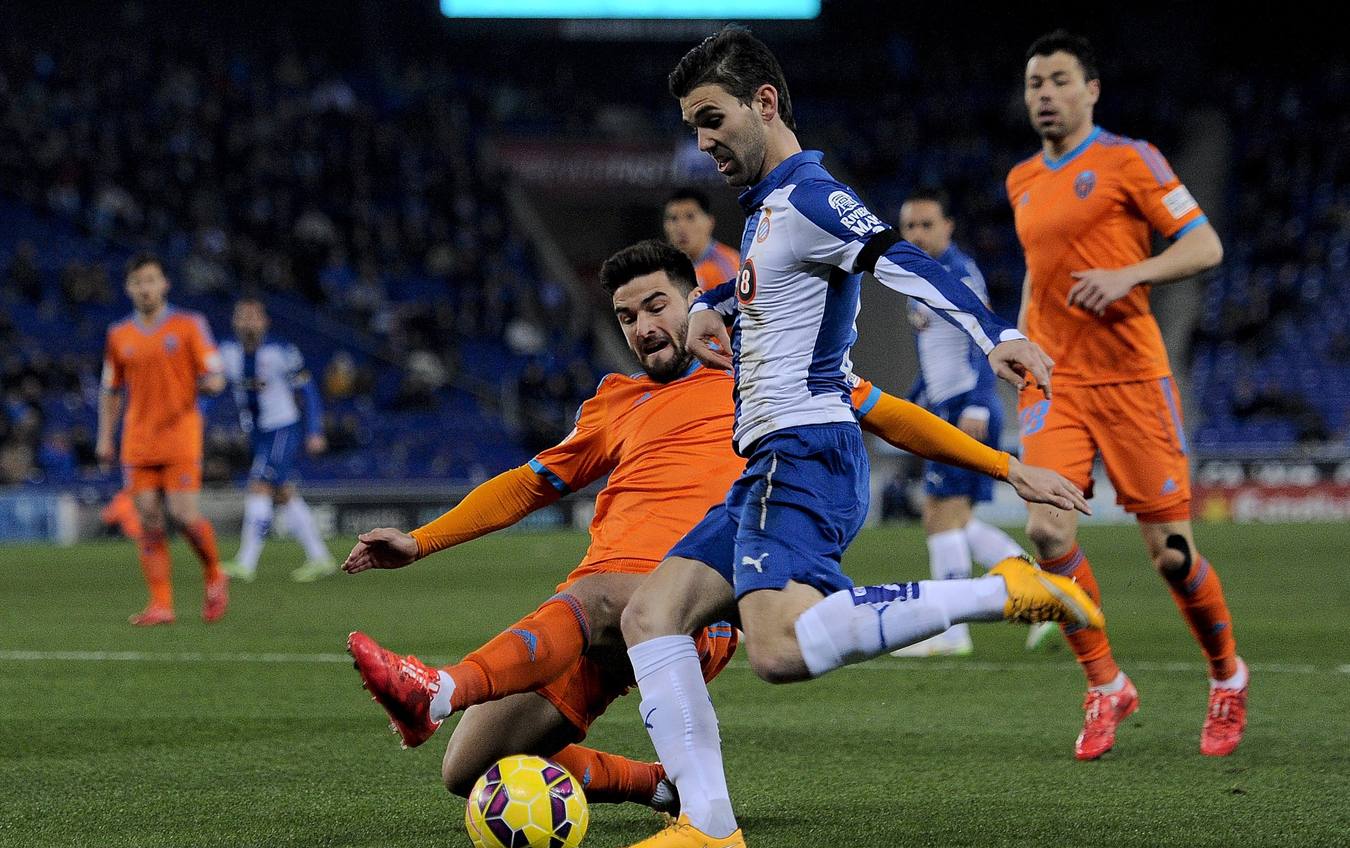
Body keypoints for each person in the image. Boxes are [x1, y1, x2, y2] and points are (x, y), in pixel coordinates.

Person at [340, 240, 1086, 811]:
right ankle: (660, 789)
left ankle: (435, 689)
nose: (643, 327)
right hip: (588, 606)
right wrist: (421, 539)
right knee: (469, 771)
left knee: (616, 602)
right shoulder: (613, 401)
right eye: (627, 317)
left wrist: (1005, 466)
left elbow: (887, 413)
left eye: (657, 306)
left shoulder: (760, 366)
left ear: (696, 300)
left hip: (688, 601)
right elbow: (528, 485)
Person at [597, 28, 1098, 848]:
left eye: (712, 118)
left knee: (779, 649)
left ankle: (996, 590)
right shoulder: (767, 212)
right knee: (653, 614)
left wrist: (994, 334)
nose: (702, 143)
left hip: (799, 452)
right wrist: (711, 301)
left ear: (765, 104)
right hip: (779, 460)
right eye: (692, 127)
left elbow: (898, 257)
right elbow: (765, 284)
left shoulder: (809, 197)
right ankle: (709, 824)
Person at [1009, 30, 1242, 759]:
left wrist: (1129, 276)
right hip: (1057, 382)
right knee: (1048, 534)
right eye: (1034, 83)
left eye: (1057, 80)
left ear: (1091, 90)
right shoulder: (1021, 178)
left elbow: (1206, 246)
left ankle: (1227, 676)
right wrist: (1020, 337)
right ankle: (1105, 683)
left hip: (1134, 380)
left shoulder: (1129, 159)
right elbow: (1035, 270)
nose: (1044, 94)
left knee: (1171, 555)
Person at [891, 187, 1055, 657]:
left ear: (948, 228)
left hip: (967, 406)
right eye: (909, 227)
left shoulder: (958, 273)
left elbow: (984, 336)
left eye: (927, 225)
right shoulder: (918, 278)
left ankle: (951, 631)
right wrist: (909, 403)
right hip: (946, 405)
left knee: (941, 516)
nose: (918, 235)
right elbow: (936, 357)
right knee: (954, 520)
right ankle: (1040, 589)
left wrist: (980, 403)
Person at [97, 252, 229, 625]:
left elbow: (215, 371)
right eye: (138, 282)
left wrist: (214, 383)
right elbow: (110, 389)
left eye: (151, 280)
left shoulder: (190, 325)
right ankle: (161, 604)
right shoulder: (117, 335)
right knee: (149, 519)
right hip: (137, 441)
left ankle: (215, 574)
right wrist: (105, 437)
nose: (145, 288)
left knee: (182, 514)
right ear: (128, 288)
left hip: (180, 435)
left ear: (164, 284)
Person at [218, 297, 336, 583]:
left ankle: (245, 563)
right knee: (283, 493)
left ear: (265, 322)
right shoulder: (226, 352)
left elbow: (308, 393)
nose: (248, 322)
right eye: (242, 316)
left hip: (283, 428)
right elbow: (212, 389)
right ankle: (320, 557)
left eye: (254, 316)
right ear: (234, 321)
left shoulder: (282, 351)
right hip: (256, 432)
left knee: (259, 485)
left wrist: (314, 431)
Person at [662, 187, 741, 290]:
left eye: (690, 217)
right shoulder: (661, 268)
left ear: (709, 222)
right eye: (673, 218)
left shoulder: (728, 266)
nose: (681, 226)